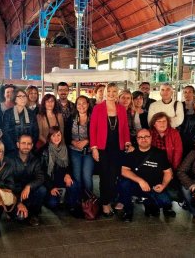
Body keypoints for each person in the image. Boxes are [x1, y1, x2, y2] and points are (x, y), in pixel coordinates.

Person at [90, 83, 131, 216]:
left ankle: (108, 198)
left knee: (113, 176)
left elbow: (125, 128)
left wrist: (127, 142)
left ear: (117, 93)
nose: (111, 94)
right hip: (102, 148)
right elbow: (93, 129)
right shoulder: (98, 108)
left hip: (117, 148)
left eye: (114, 91)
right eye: (109, 91)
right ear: (105, 92)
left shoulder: (121, 109)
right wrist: (94, 148)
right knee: (104, 176)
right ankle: (105, 204)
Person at [118, 129, 175, 222]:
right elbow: (124, 171)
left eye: (146, 137)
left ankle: (149, 203)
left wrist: (163, 185)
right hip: (137, 186)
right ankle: (128, 211)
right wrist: (141, 181)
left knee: (165, 202)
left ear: (151, 138)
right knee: (124, 184)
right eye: (140, 137)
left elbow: (168, 172)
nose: (143, 139)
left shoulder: (159, 154)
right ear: (136, 139)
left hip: (154, 187)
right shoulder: (131, 153)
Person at [7, 134, 46, 226]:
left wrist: (29, 186)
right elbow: (6, 184)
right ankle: (12, 212)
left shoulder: (35, 159)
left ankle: (34, 214)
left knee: (42, 190)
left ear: (32, 146)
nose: (26, 146)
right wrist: (18, 203)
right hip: (13, 195)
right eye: (23, 143)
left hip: (28, 194)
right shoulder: (9, 159)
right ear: (18, 144)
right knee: (20, 218)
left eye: (29, 144)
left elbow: (41, 177)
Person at [41, 127, 80, 215]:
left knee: (75, 185)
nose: (56, 138)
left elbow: (69, 165)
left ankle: (71, 204)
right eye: (53, 135)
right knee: (53, 203)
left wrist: (68, 174)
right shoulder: (44, 151)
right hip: (51, 183)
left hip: (63, 179)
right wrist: (51, 187)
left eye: (58, 135)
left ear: (61, 136)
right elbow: (42, 173)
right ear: (49, 137)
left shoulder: (65, 148)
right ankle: (52, 199)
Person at [69, 95, 94, 194]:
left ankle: (89, 201)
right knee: (77, 176)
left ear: (88, 104)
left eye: (84, 103)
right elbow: (65, 135)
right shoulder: (71, 118)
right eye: (79, 103)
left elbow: (98, 134)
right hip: (74, 151)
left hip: (89, 152)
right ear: (76, 105)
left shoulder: (93, 117)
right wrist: (73, 142)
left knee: (87, 176)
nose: (81, 106)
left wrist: (87, 141)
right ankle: (78, 200)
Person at [2, 88, 39, 154]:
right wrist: (14, 149)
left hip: (28, 149)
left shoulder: (31, 113)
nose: (23, 98)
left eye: (24, 96)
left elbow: (36, 132)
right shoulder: (8, 113)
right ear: (14, 99)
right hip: (12, 150)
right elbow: (5, 133)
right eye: (20, 96)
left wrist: (29, 146)